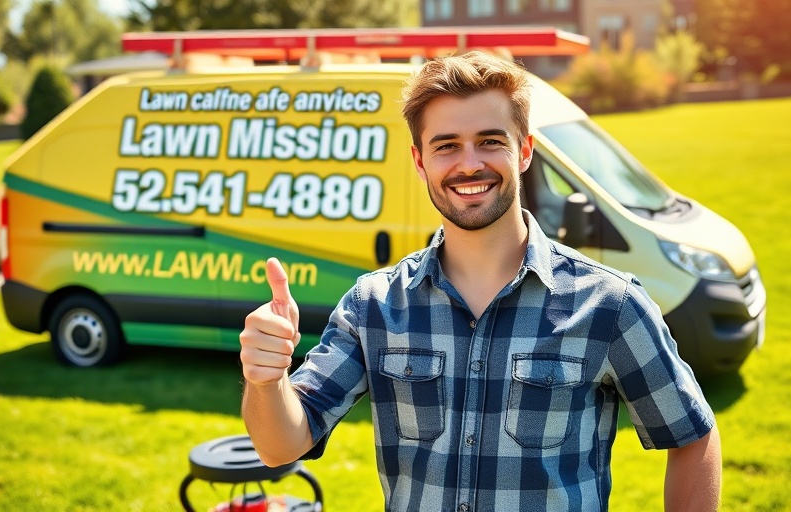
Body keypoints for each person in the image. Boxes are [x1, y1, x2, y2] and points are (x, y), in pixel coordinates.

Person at [239, 51, 722, 511]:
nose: (469, 163)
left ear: (525, 150)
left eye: (490, 141)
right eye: (446, 146)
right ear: (419, 161)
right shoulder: (374, 305)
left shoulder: (609, 305)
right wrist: (266, 381)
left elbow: (693, 435)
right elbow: (281, 446)